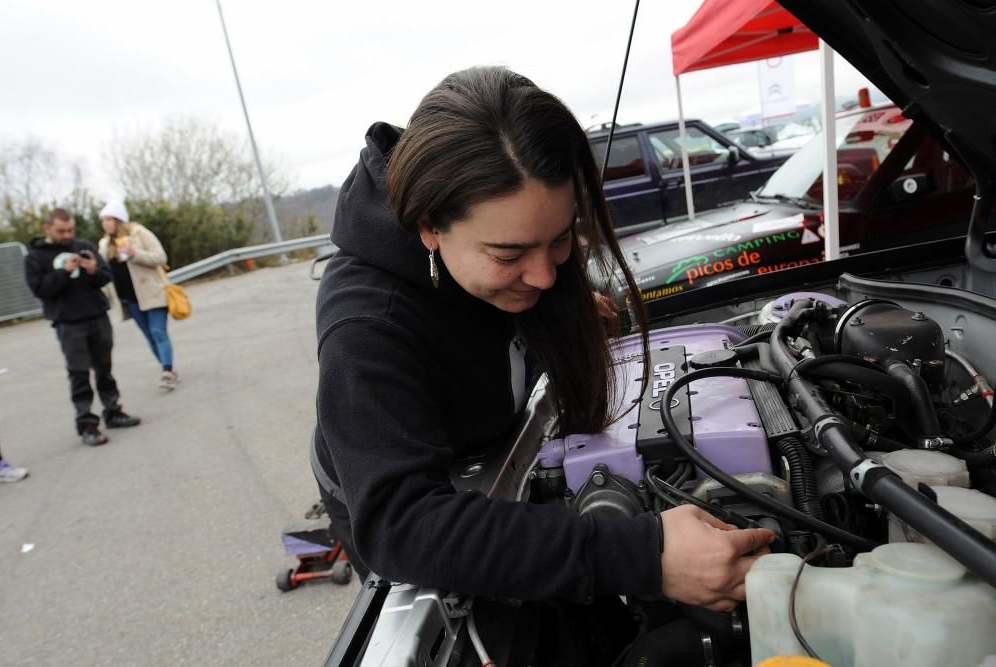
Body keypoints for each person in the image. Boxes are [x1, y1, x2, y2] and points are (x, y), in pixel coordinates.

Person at [311, 67, 774, 609]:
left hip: (489, 453)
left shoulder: (511, 248)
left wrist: (553, 320)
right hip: (390, 495)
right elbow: (403, 525)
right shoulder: (365, 327)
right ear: (429, 228)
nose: (545, 277)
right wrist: (642, 556)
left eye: (559, 240)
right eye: (509, 255)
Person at [24, 208, 141, 446]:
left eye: (70, 230)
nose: (67, 235)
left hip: (97, 316)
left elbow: (105, 277)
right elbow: (40, 290)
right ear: (47, 229)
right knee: (79, 374)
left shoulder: (83, 245)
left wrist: (92, 270)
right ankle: (87, 424)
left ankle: (113, 412)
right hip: (68, 323)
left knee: (104, 368)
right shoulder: (35, 257)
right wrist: (63, 272)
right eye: (61, 231)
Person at [97, 201, 179, 390]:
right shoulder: (103, 244)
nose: (105, 223)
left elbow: (160, 257)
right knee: (150, 336)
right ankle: (169, 369)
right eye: (103, 220)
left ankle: (166, 371)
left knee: (158, 332)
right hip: (129, 299)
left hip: (152, 293)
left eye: (108, 219)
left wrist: (135, 254)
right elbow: (105, 273)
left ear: (118, 220)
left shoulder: (140, 234)